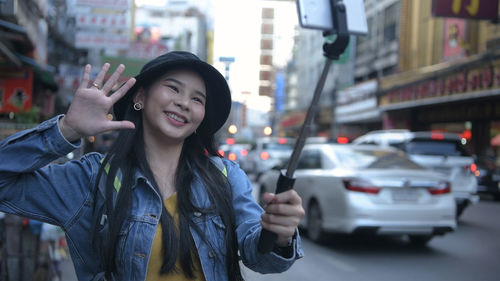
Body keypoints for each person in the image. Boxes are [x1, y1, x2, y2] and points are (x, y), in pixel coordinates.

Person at [0, 51, 304, 281]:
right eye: (173, 88)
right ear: (141, 97)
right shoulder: (92, 179)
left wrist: (278, 234)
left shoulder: (225, 176)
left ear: (201, 117)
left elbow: (262, 260)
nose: (184, 102)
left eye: (197, 99)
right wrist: (66, 130)